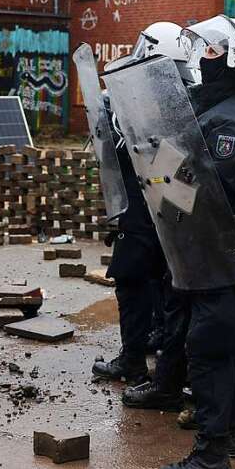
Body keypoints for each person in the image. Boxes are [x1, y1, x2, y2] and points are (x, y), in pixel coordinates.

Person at [145, 16, 235, 469]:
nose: (202, 58)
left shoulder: (234, 121)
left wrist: (154, 159)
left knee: (211, 348)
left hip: (216, 249)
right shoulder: (221, 110)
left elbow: (208, 192)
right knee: (225, 346)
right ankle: (230, 433)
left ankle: (212, 453)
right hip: (212, 249)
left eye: (212, 52)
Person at [91, 23, 178, 386]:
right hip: (160, 212)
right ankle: (156, 347)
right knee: (159, 284)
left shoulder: (159, 103)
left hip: (147, 210)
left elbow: (162, 162)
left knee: (131, 279)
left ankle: (132, 361)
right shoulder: (175, 96)